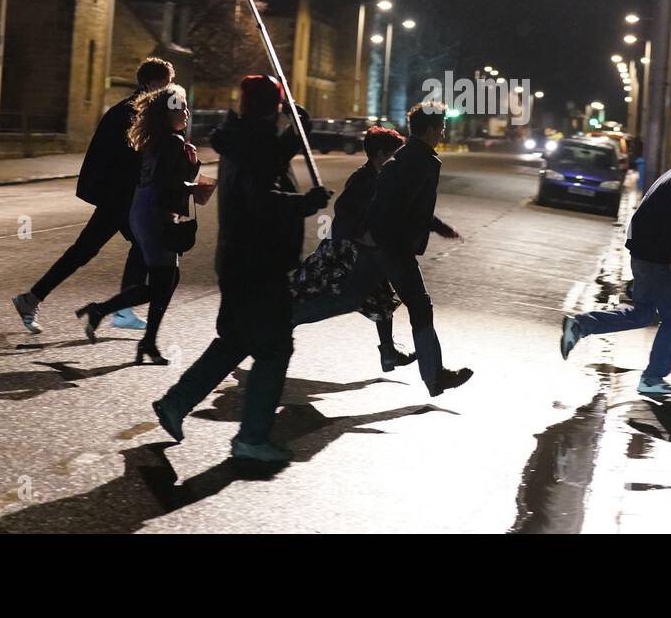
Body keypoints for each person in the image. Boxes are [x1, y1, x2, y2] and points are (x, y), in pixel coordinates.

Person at [152, 76, 330, 464]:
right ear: (272, 109)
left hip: (240, 261)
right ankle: (250, 438)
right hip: (259, 264)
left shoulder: (243, 139)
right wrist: (305, 204)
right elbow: (263, 201)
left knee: (236, 339)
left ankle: (176, 402)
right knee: (274, 347)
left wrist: (299, 129)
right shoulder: (255, 143)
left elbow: (271, 160)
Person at [9, 58, 174, 334]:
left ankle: (35, 299)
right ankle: (116, 309)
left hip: (121, 197)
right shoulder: (133, 112)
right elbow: (128, 159)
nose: (168, 90)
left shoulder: (135, 111)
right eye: (165, 84)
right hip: (121, 198)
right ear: (151, 83)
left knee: (96, 250)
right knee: (117, 248)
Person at [560, 139, 671, 397]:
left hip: (649, 260)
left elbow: (649, 221)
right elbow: (653, 224)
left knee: (642, 315)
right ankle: (652, 378)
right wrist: (670, 257)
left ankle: (581, 325)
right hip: (656, 264)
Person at [76, 83, 203, 365]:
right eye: (181, 107)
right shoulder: (172, 142)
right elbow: (167, 182)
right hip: (157, 215)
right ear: (169, 112)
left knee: (166, 281)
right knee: (164, 281)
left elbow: (163, 176)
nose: (186, 112)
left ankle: (115, 320)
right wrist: (195, 185)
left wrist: (190, 165)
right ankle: (131, 332)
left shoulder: (159, 139)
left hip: (144, 212)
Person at [290, 125, 420, 372]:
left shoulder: (382, 178)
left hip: (363, 252)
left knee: (381, 300)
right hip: (344, 252)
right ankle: (282, 326)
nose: (400, 159)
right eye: (396, 153)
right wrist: (364, 235)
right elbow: (344, 211)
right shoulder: (364, 180)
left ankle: (389, 353)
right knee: (321, 296)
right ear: (381, 154)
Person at [367, 102, 472, 398]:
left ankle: (426, 371)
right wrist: (436, 228)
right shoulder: (421, 162)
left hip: (385, 242)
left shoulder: (406, 156)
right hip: (393, 246)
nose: (442, 133)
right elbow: (413, 209)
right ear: (428, 130)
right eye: (440, 128)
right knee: (420, 306)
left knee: (346, 297)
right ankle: (434, 376)